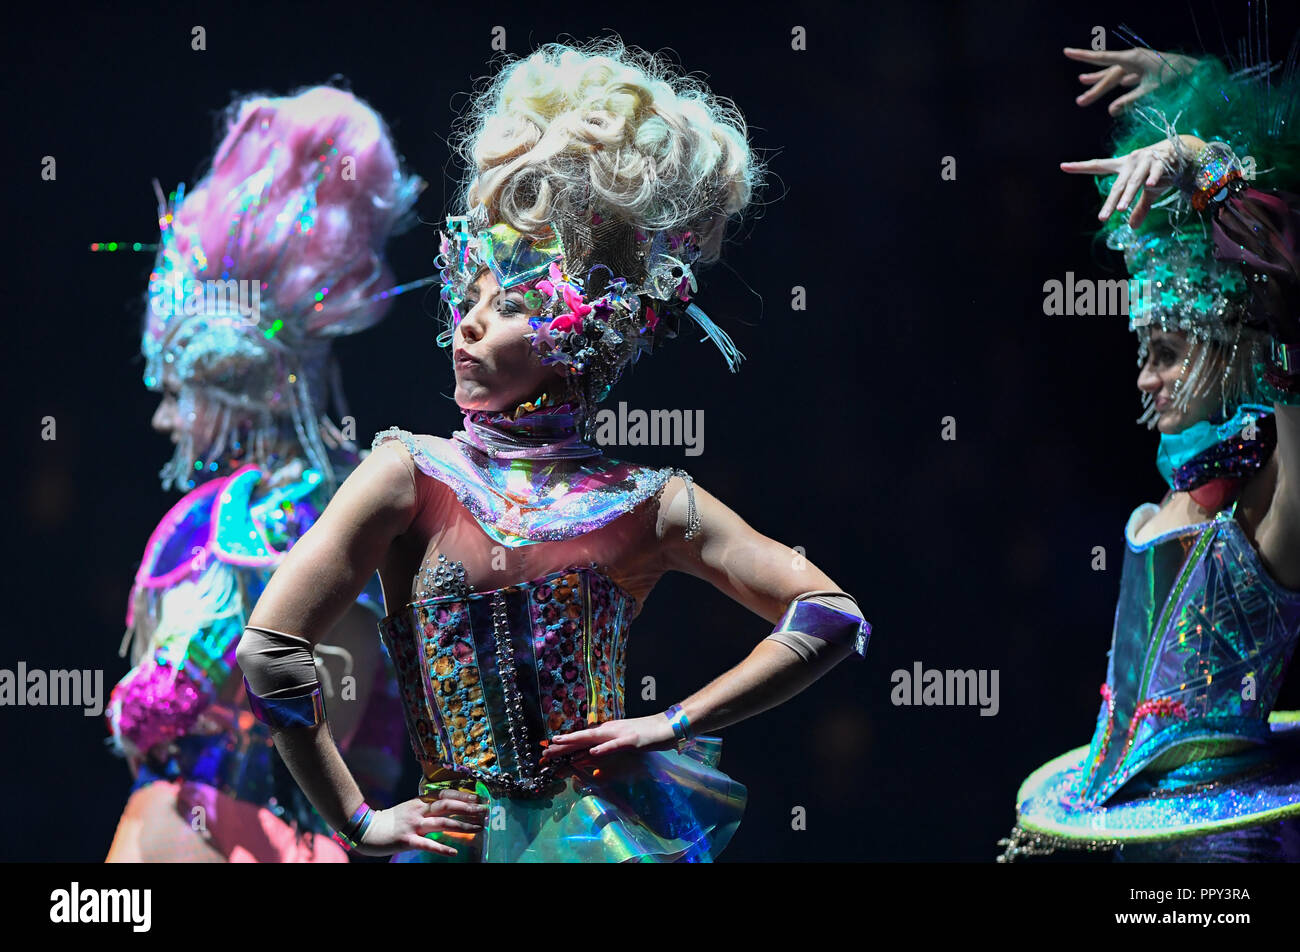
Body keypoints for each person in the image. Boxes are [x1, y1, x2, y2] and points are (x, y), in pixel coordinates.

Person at [236, 38, 871, 863]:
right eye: (468, 295)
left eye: (503, 307)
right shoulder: (409, 474)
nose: (465, 321)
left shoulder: (643, 500)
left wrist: (671, 723)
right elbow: (270, 648)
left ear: (583, 333)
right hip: (452, 844)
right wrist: (359, 823)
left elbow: (830, 613)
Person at [104, 85, 422, 862]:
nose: (165, 421)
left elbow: (159, 706)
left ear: (237, 388)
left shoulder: (268, 519)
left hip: (236, 832)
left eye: (180, 395)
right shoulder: (326, 504)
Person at [1000, 44, 1300, 862]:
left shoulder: (1278, 504)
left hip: (1213, 841)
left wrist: (1197, 155)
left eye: (1167, 351)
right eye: (1144, 350)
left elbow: (1290, 291)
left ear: (1241, 343)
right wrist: (1203, 94)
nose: (1145, 378)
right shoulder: (1199, 488)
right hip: (1124, 817)